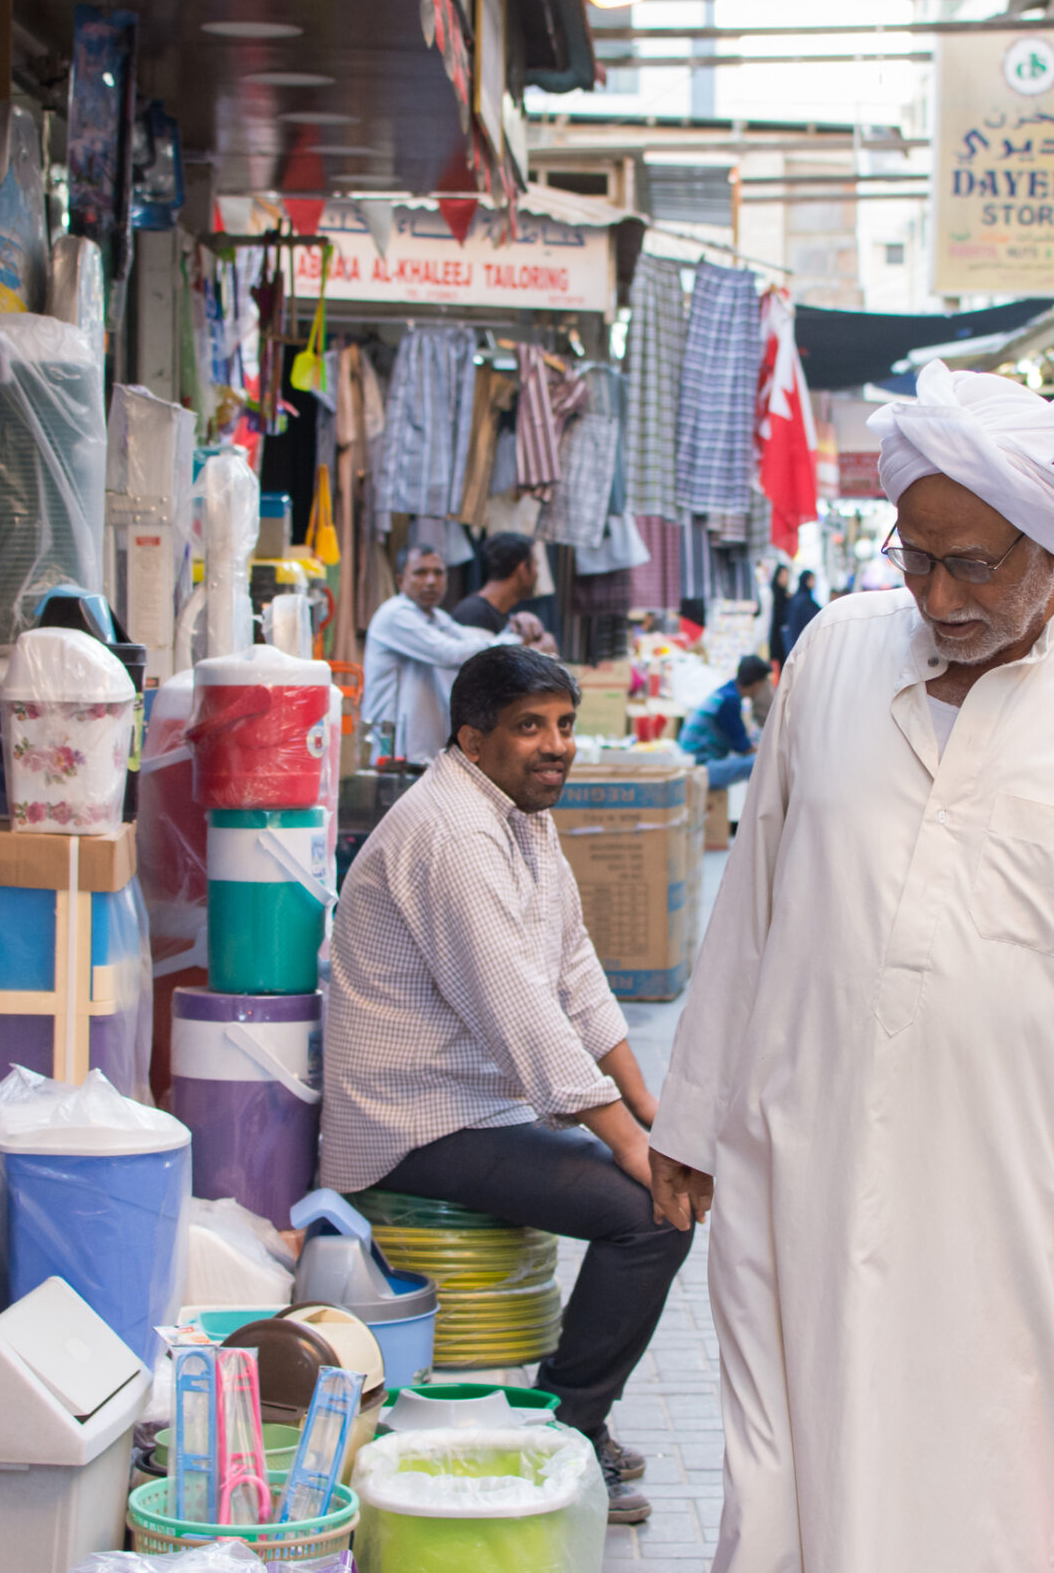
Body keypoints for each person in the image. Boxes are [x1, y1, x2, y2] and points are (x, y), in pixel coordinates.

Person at [647, 362, 1054, 1572]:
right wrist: (690, 1114)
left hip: (1011, 1192)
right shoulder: (838, 657)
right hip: (805, 1158)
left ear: (1052, 548)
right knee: (786, 1486)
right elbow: (751, 904)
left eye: (974, 564)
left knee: (984, 1496)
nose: (938, 593)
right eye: (917, 556)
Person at [322, 646, 689, 1526]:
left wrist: (654, 1111)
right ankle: (567, 1431)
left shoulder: (518, 813)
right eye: (530, 726)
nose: (554, 744)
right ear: (472, 737)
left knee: (655, 1194)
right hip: (408, 1122)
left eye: (563, 725)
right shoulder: (451, 831)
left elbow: (575, 974)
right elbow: (523, 1016)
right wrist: (643, 1155)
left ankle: (569, 1421)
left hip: (474, 1108)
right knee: (649, 1218)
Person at [361, 545, 518, 762]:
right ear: (400, 580)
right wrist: (514, 642)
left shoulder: (437, 617)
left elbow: (472, 643)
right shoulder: (395, 614)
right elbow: (450, 653)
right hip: (395, 753)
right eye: (420, 572)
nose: (431, 581)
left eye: (438, 573)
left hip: (422, 753)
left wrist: (513, 631)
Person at [448, 530, 556, 652]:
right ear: (522, 569)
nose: (537, 574)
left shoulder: (503, 614)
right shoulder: (473, 613)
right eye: (535, 566)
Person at [677, 655, 773, 792]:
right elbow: (744, 749)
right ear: (757, 684)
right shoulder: (730, 701)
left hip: (696, 763)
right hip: (700, 768)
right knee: (760, 763)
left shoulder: (726, 693)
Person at [778, 571, 821, 657]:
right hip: (804, 647)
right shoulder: (806, 602)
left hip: (792, 645)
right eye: (812, 579)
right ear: (807, 581)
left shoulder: (794, 599)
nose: (814, 583)